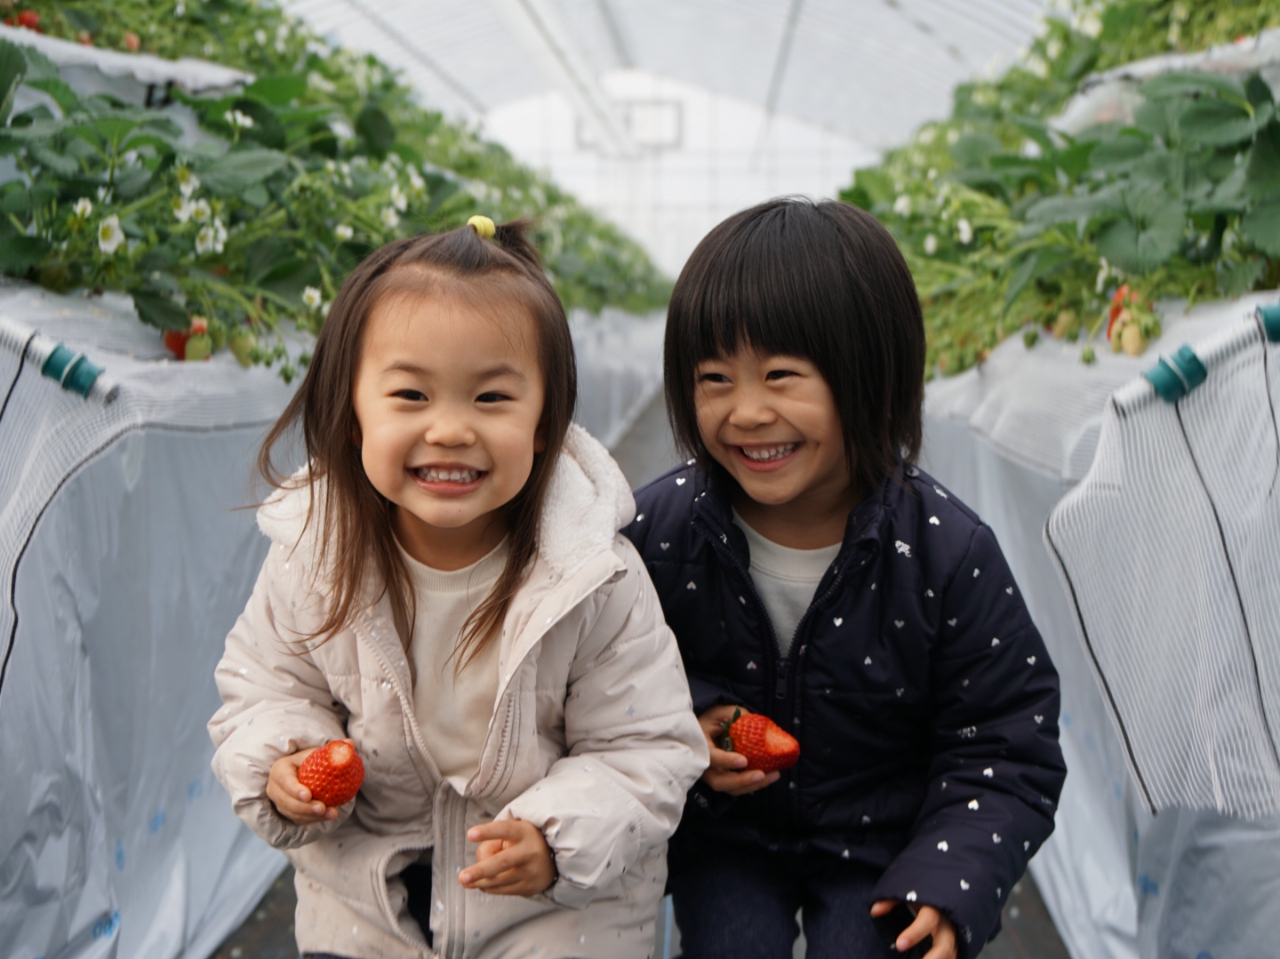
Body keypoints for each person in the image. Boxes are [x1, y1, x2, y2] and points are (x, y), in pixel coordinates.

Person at [209, 217, 707, 959]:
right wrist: (284, 760)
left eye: (491, 398)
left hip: (555, 913)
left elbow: (646, 744)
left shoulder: (591, 576)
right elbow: (265, 689)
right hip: (368, 903)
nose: (449, 430)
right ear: (352, 416)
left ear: (546, 423)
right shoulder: (313, 557)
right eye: (410, 394)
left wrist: (556, 839)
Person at [623, 198, 1066, 959]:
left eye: (782, 375)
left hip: (887, 839)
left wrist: (953, 877)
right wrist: (687, 727)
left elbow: (1003, 737)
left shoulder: (941, 551)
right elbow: (605, 669)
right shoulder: (660, 532)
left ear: (870, 371)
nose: (747, 411)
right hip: (725, 836)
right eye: (715, 377)